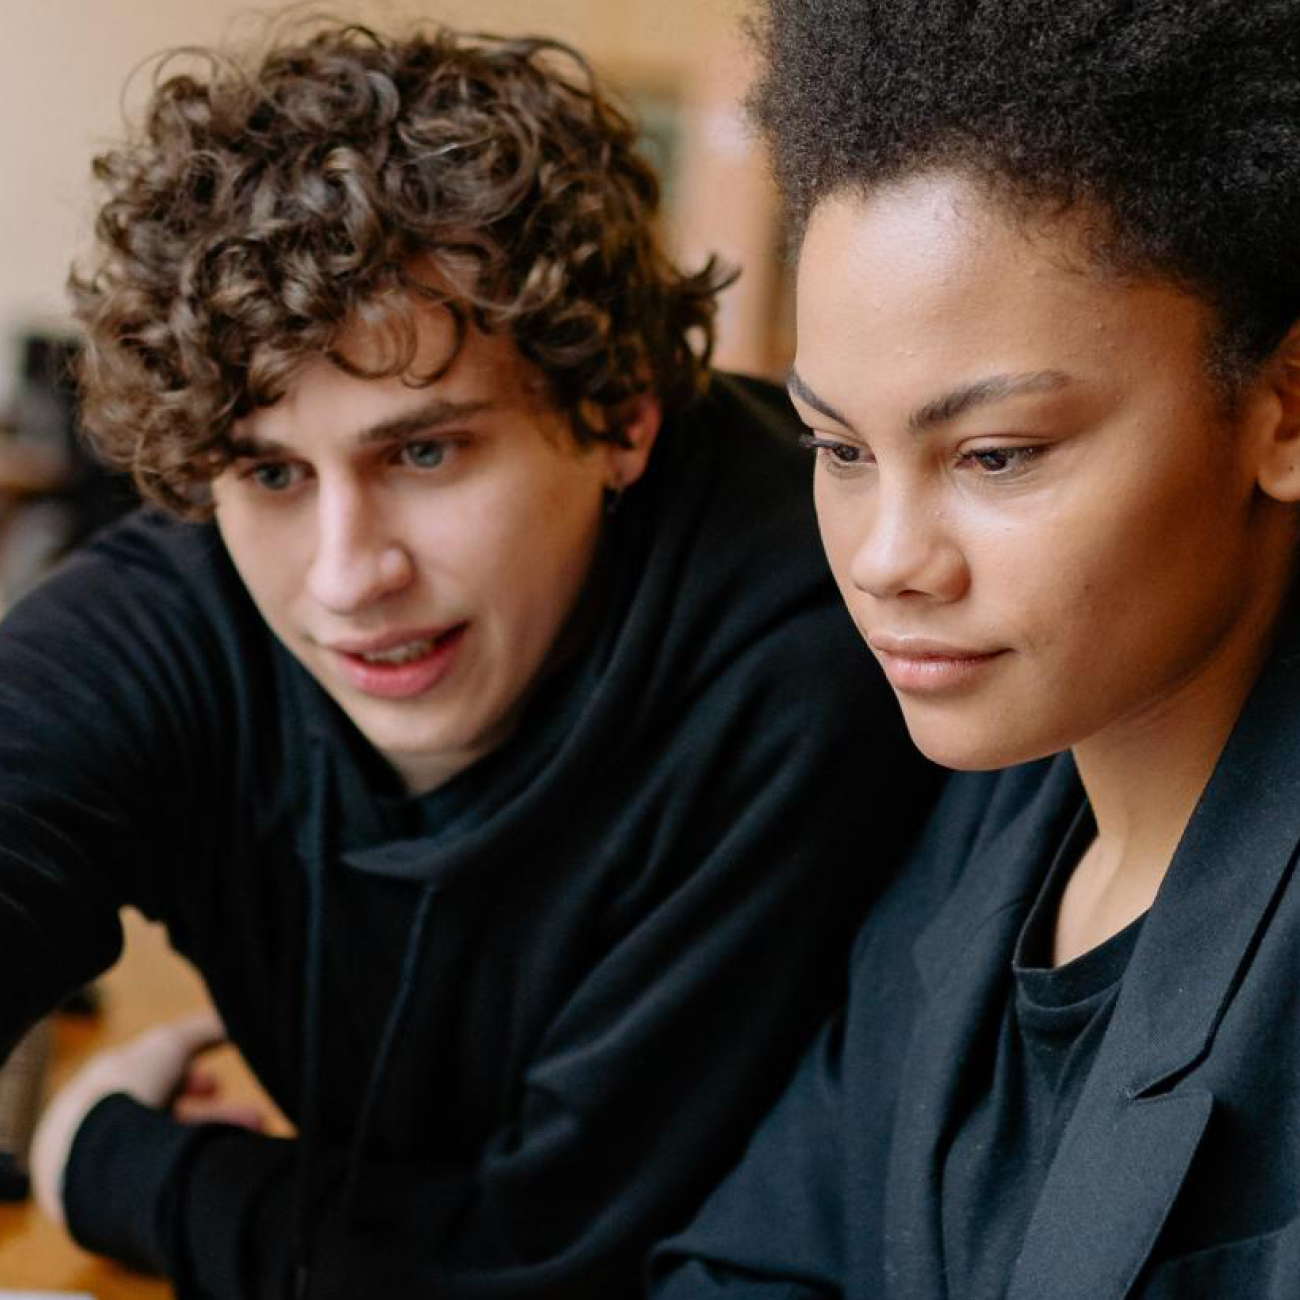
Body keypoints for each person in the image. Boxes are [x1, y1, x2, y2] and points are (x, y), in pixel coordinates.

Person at [0, 21, 936, 1300]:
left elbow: (563, 1264)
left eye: (424, 453)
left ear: (617, 412)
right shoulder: (182, 604)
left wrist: (108, 1159)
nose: (346, 574)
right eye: (272, 471)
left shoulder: (803, 633)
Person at [651, 1, 1300, 1297]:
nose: (890, 558)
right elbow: (756, 1263)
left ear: (1282, 414)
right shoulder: (980, 827)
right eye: (839, 450)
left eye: (996, 456)